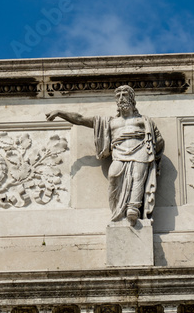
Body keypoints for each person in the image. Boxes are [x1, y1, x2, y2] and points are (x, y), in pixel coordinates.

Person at [46, 84, 163, 225]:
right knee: (113, 175)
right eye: (118, 96)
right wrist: (60, 113)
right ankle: (118, 211)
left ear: (132, 98)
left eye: (124, 95)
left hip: (140, 151)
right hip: (119, 153)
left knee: (138, 176)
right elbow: (80, 119)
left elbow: (158, 140)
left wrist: (152, 153)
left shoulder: (144, 120)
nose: (121, 98)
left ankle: (133, 207)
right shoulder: (109, 122)